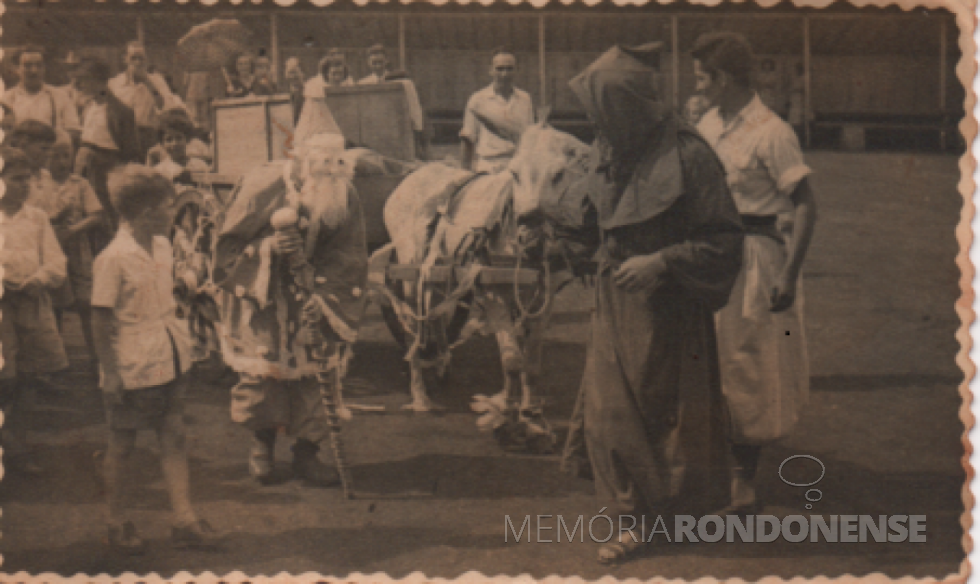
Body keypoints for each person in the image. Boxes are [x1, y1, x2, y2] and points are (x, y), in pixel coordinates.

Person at [568, 43, 744, 564]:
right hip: (616, 305)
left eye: (603, 110)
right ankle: (628, 519)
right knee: (609, 415)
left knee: (669, 418)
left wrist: (662, 261)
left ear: (627, 106)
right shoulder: (611, 148)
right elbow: (590, 215)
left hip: (669, 309)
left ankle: (667, 516)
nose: (596, 122)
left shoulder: (690, 155)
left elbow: (725, 240)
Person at [693, 32, 818, 517]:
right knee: (709, 362)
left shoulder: (772, 131)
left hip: (755, 260)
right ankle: (715, 473)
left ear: (724, 79)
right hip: (709, 255)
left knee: (748, 366)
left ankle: (743, 485)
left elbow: (807, 206)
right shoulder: (707, 124)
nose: (699, 88)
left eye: (703, 79)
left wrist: (789, 273)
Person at [210, 132, 367, 487]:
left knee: (318, 374)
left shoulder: (345, 193)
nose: (329, 170)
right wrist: (269, 249)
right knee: (265, 375)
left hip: (318, 295)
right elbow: (227, 247)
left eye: (335, 161)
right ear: (300, 160)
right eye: (321, 162)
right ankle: (261, 447)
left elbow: (350, 252)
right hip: (266, 294)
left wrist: (324, 297)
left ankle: (307, 453)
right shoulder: (262, 185)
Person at [91, 164, 219, 554]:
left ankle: (184, 519)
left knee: (174, 435)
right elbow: (99, 318)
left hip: (172, 356)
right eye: (168, 206)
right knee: (124, 446)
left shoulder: (163, 246)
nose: (173, 213)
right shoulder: (113, 258)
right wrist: (110, 374)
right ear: (146, 212)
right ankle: (115, 521)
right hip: (133, 365)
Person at [0, 146, 70, 475]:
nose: (23, 186)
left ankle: (19, 448)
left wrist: (40, 279)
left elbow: (56, 262)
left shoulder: (37, 218)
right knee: (6, 379)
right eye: (15, 180)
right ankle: (7, 443)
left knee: (28, 377)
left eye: (27, 179)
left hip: (30, 303)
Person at [45, 139, 105, 368]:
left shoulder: (79, 184)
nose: (61, 162)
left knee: (85, 301)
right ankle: (56, 360)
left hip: (76, 248)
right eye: (55, 156)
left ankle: (96, 356)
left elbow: (96, 215)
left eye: (66, 156)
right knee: (54, 304)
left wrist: (74, 230)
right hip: (49, 249)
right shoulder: (39, 183)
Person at [74, 57, 142, 238]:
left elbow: (130, 149)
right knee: (83, 211)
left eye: (86, 79)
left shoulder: (120, 110)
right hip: (84, 164)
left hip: (106, 166)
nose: (82, 84)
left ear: (100, 81)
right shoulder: (87, 106)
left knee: (106, 213)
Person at [460, 48, 534, 173]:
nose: (505, 74)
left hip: (518, 167)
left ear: (517, 70)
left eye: (509, 68)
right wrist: (464, 173)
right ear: (491, 70)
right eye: (499, 68)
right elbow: (468, 139)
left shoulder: (525, 99)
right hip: (489, 167)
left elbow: (530, 137)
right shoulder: (478, 99)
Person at [109, 41, 183, 162]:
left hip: (148, 137)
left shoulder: (157, 81)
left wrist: (148, 83)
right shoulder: (114, 83)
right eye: (134, 58)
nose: (138, 62)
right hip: (123, 138)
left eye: (141, 58)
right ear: (125, 59)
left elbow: (167, 107)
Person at [2, 46, 81, 144]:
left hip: (51, 153)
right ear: (16, 68)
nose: (34, 71)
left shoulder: (60, 96)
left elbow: (74, 131)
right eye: (27, 65)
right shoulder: (5, 99)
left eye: (39, 65)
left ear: (44, 68)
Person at [358, 46, 426, 154]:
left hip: (397, 128)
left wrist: (417, 129)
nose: (378, 66)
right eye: (374, 62)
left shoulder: (402, 81)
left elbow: (414, 106)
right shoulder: (363, 84)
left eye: (380, 62)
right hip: (374, 129)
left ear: (387, 61)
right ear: (368, 63)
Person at [148, 108, 210, 182]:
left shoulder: (199, 165)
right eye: (169, 139)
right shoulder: (159, 172)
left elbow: (207, 190)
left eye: (179, 138)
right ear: (162, 143)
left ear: (187, 139)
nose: (174, 143)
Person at [284, 57, 306, 123]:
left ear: (302, 73)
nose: (292, 76)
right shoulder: (284, 93)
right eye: (290, 73)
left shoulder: (308, 92)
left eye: (295, 72)